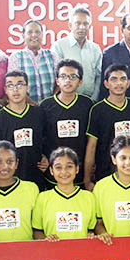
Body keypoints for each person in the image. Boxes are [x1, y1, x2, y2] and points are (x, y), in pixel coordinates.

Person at [84, 64, 130, 189]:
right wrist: (87, 180)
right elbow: (92, 146)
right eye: (114, 79)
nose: (119, 83)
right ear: (106, 84)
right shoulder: (97, 109)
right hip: (104, 172)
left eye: (123, 79)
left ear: (128, 83)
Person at [39, 59, 93, 187]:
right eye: (63, 76)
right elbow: (39, 137)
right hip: (53, 172)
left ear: (80, 81)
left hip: (80, 172)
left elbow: (91, 142)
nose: (68, 80)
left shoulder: (88, 105)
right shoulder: (45, 106)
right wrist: (42, 156)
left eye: (73, 77)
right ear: (57, 80)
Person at [0, 71, 47, 186]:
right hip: (9, 179)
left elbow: (46, 140)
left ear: (27, 88)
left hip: (37, 177)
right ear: (5, 89)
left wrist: (46, 157)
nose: (15, 90)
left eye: (20, 85)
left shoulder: (39, 113)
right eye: (10, 85)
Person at [93, 136, 130, 243]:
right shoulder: (101, 187)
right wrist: (102, 233)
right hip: (111, 248)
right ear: (114, 159)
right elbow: (98, 223)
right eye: (123, 158)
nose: (128, 163)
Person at [0, 141, 39, 242]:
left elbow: (38, 228)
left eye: (10, 161)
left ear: (16, 163)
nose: (4, 166)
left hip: (26, 252)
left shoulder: (31, 189)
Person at [33, 147, 97, 241]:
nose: (64, 171)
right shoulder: (42, 198)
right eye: (58, 167)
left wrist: (91, 235)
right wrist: (45, 239)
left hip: (81, 254)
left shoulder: (89, 197)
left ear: (77, 169)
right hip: (52, 254)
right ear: (51, 171)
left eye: (69, 166)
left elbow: (92, 229)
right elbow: (37, 231)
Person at [52, 7, 103, 101]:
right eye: (78, 23)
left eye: (85, 24)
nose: (82, 27)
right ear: (70, 25)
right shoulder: (59, 46)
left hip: (90, 101)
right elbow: (57, 77)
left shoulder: (95, 48)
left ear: (90, 26)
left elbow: (98, 77)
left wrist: (94, 99)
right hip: (67, 101)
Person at [8, 19, 57, 103]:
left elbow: (59, 82)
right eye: (29, 32)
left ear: (42, 35)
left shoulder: (52, 55)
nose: (34, 35)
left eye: (37, 32)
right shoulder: (16, 57)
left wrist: (51, 103)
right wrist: (34, 105)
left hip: (50, 109)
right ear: (23, 36)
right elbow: (13, 87)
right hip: (26, 109)